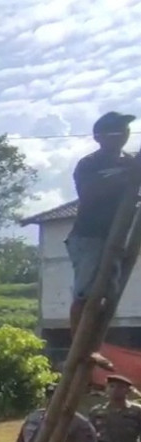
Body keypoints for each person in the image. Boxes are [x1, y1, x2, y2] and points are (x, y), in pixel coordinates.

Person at [66, 111, 140, 369]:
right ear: (99, 136)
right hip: (89, 236)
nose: (122, 134)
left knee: (107, 297)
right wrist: (126, 177)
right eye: (114, 129)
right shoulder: (90, 164)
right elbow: (90, 193)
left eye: (124, 129)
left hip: (116, 237)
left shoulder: (131, 162)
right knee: (86, 294)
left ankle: (93, 347)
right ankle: (80, 347)